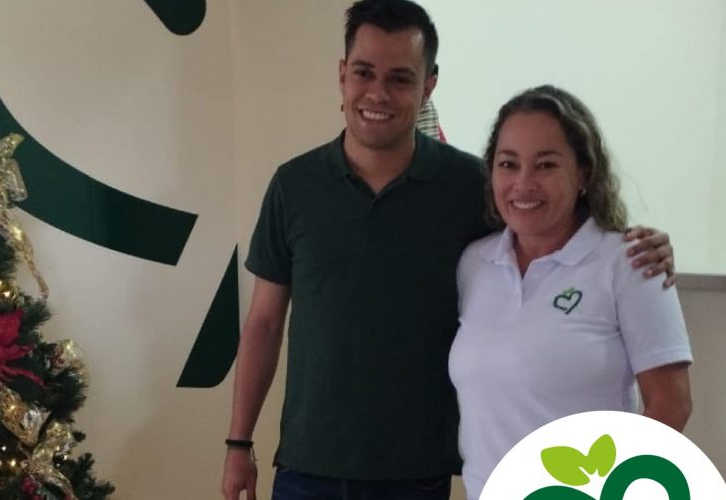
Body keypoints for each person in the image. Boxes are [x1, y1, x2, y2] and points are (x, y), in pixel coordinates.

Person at [222, 2, 675, 499]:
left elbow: (547, 220)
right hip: (308, 467)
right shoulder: (294, 186)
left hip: (418, 474)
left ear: (428, 86)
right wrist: (238, 442)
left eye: (400, 78)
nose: (378, 93)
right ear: (342, 75)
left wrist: (641, 244)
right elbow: (264, 323)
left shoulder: (469, 185)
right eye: (364, 73)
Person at [449, 85, 693, 499]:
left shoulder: (630, 263)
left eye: (546, 165)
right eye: (508, 164)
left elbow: (672, 405)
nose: (523, 183)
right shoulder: (474, 263)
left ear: (583, 173)